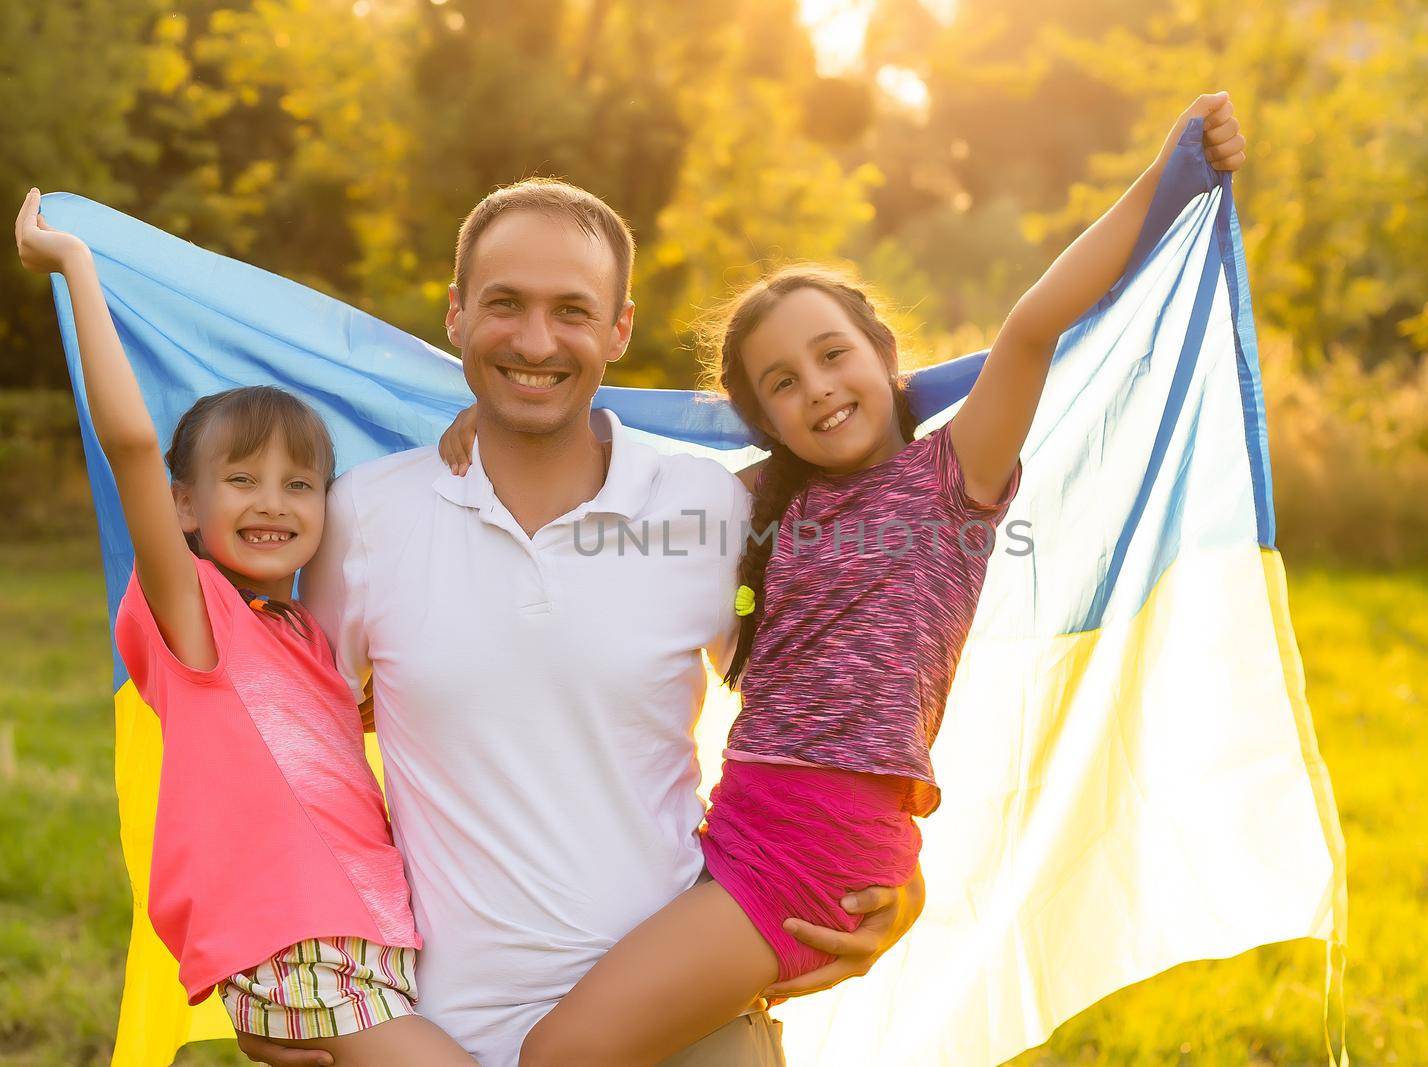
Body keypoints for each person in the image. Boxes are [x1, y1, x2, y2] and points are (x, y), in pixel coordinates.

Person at [435, 93, 1248, 1065]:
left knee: (562, 1052)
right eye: (781, 381)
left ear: (882, 356)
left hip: (814, 845)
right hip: (742, 826)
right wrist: (468, 432)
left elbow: (1033, 325)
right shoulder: (754, 507)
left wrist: (1167, 183)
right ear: (762, 418)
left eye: (833, 356)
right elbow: (590, 481)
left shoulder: (951, 482)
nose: (817, 388)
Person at [241, 178, 925, 1067]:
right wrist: (275, 981)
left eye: (572, 309)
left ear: (619, 329)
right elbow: (294, 776)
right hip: (434, 1033)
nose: (535, 340)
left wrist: (890, 880)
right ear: (455, 316)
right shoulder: (363, 518)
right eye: (504, 305)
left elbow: (839, 711)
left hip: (687, 1027)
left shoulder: (705, 509)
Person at [12, 189, 477, 1067]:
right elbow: (132, 445)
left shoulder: (305, 632)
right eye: (242, 480)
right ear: (184, 505)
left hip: (370, 932)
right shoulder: (197, 616)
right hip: (300, 942)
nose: (273, 502)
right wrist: (78, 270)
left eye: (299, 484)